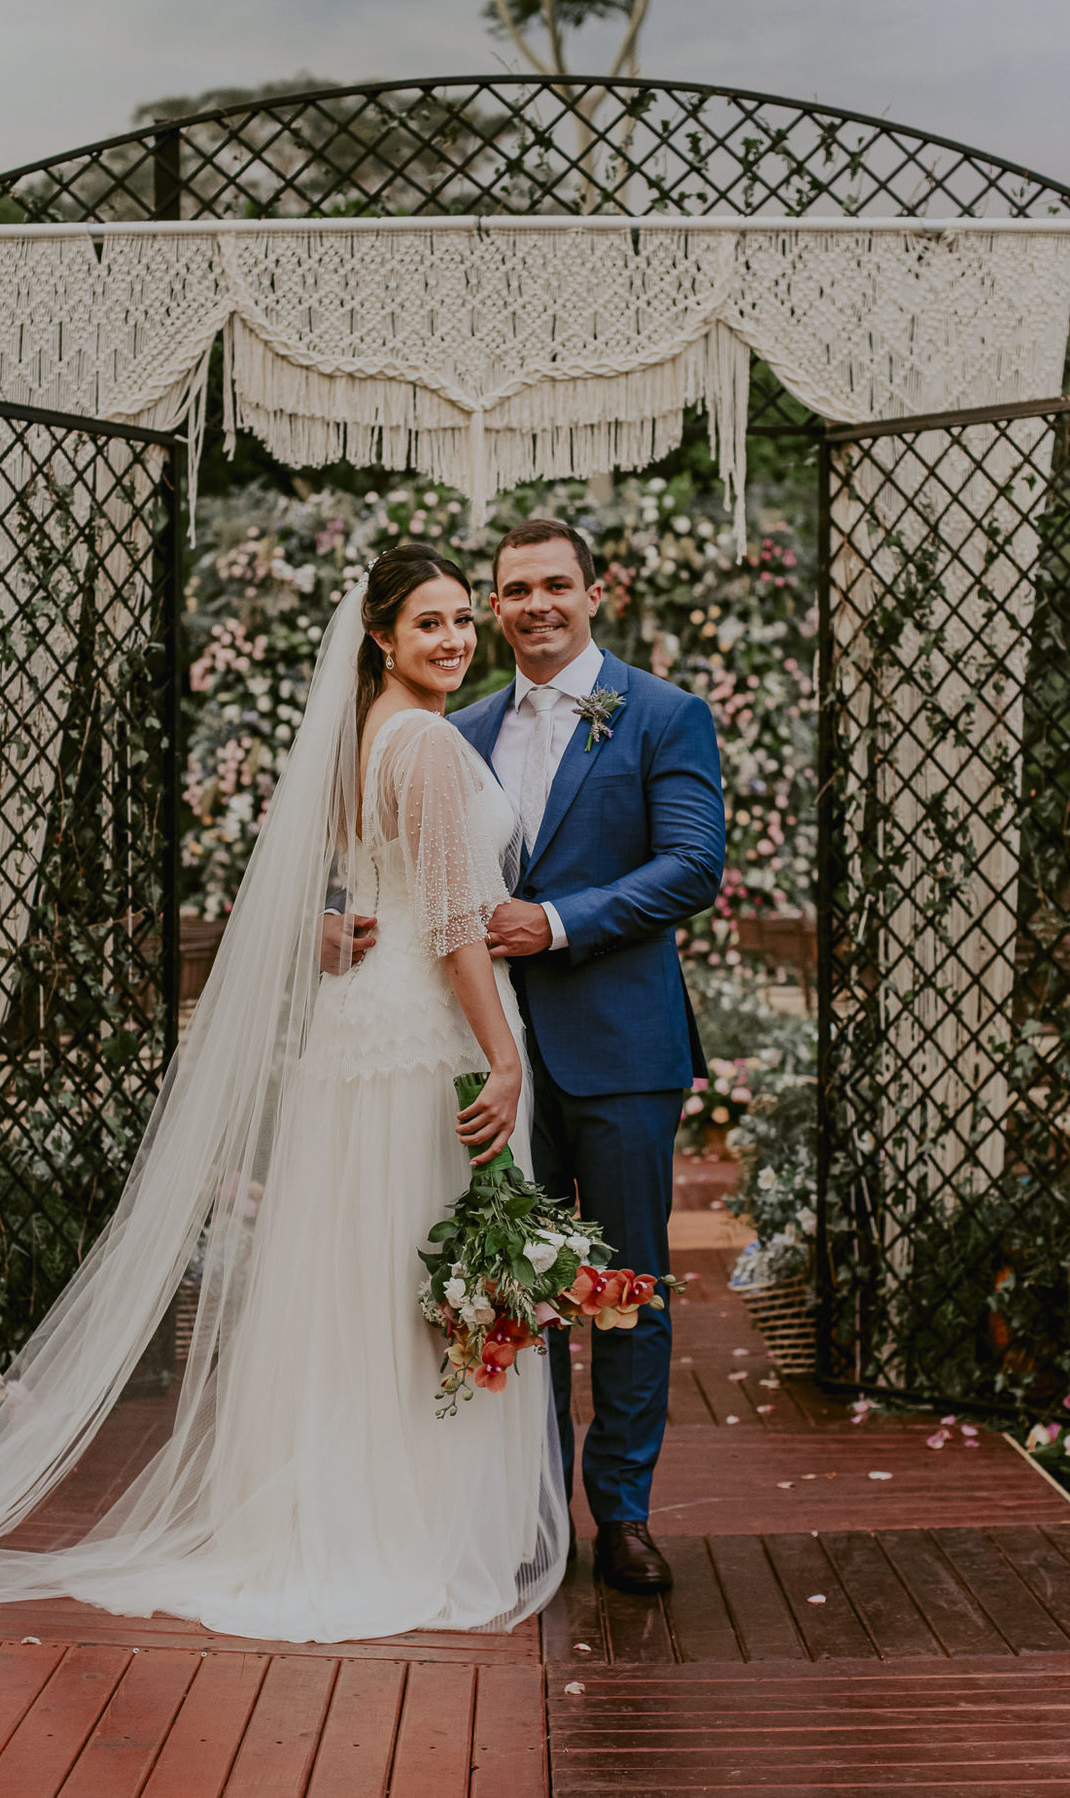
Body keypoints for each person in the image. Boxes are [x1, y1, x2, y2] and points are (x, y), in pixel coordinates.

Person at [0, 545, 568, 1643]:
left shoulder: (354, 737)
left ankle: (333, 1511)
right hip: (424, 1040)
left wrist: (334, 936)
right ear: (381, 635)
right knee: (416, 1284)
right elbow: (448, 922)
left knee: (361, 1276)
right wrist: (506, 1055)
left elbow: (334, 895)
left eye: (457, 622)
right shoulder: (427, 739)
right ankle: (412, 1527)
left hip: (353, 1037)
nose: (451, 640)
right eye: (427, 624)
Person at [453, 519, 724, 1594]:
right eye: (515, 590)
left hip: (621, 1051)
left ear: (594, 591)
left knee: (625, 1291)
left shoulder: (662, 714)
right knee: (514, 1292)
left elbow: (693, 865)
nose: (537, 605)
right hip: (497, 1059)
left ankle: (622, 1517)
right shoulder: (462, 729)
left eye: (554, 584)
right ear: (494, 608)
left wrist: (555, 923)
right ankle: (532, 1516)